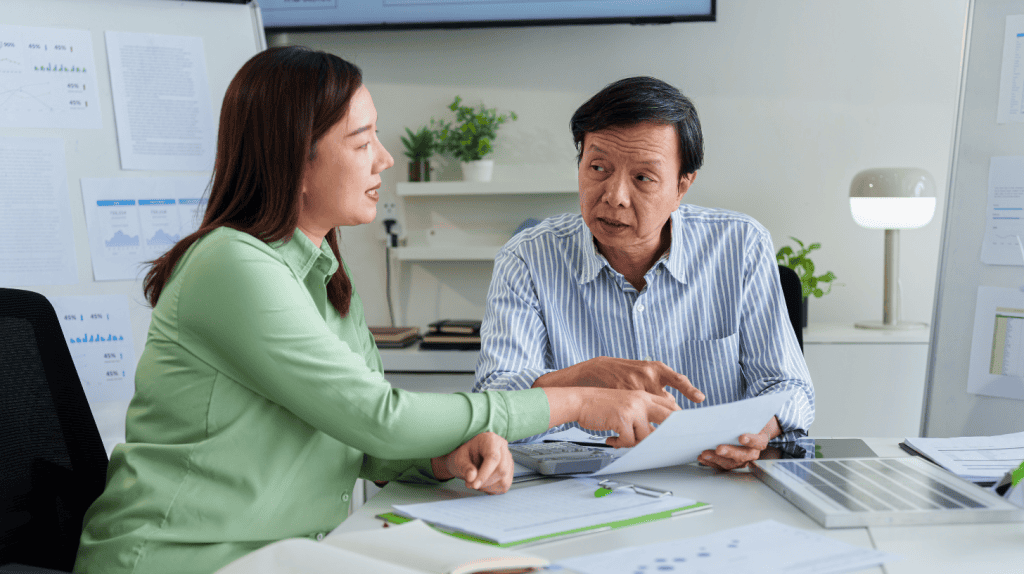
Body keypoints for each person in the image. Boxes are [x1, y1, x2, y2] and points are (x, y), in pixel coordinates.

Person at [73, 49, 682, 574]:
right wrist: (575, 402)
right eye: (362, 142)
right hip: (183, 560)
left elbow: (362, 441)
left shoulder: (321, 273)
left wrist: (442, 457)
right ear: (296, 159)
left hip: (283, 555)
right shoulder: (231, 265)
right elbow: (379, 418)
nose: (384, 159)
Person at [474, 76, 814, 471]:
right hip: (578, 484)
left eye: (643, 178)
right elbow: (493, 401)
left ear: (681, 186)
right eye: (598, 167)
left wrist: (758, 432)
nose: (614, 196)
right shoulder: (528, 257)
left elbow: (789, 388)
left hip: (711, 477)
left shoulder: (740, 246)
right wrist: (584, 377)